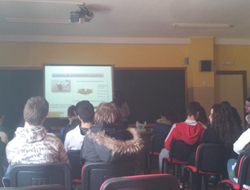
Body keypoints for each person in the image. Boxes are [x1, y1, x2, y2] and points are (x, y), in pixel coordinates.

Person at [6, 96, 69, 166]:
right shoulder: (56, 143)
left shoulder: (11, 147)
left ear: (24, 114)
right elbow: (67, 169)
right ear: (43, 119)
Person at [158, 101, 206, 172]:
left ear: (187, 112)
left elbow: (167, 145)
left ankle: (163, 178)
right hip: (192, 157)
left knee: (162, 152)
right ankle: (185, 180)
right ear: (198, 113)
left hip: (177, 155)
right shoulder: (203, 128)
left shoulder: (176, 126)